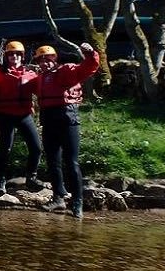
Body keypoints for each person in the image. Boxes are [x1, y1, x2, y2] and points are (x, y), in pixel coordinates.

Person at [35, 43, 99, 218]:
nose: (44, 63)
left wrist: (90, 53)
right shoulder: (40, 77)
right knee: (53, 162)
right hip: (49, 122)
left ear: (55, 59)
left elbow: (88, 68)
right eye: (41, 60)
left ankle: (77, 202)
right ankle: (58, 198)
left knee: (72, 163)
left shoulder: (66, 71)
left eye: (48, 59)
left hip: (68, 120)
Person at [0, 41, 43, 194]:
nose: (14, 57)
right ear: (6, 57)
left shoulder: (31, 74)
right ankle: (0, 181)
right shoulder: (0, 73)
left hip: (24, 115)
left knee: (36, 148)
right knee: (5, 149)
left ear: (22, 56)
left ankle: (31, 178)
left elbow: (43, 90)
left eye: (17, 54)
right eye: (10, 54)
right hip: (5, 114)